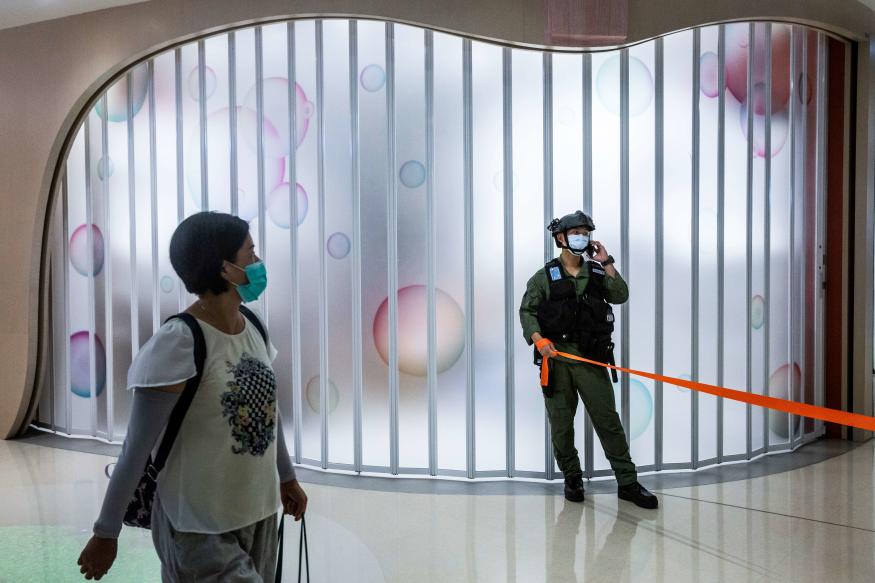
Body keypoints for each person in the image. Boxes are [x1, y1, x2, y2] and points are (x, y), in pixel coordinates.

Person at [77, 211, 308, 581]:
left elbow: (267, 410)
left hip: (259, 513)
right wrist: (106, 532)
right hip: (197, 525)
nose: (258, 262)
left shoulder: (254, 327)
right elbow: (136, 448)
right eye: (250, 253)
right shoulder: (179, 343)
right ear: (226, 269)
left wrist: (287, 477)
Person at [519, 210, 658, 509]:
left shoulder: (596, 272)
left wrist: (606, 261)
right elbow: (527, 312)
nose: (582, 237)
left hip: (591, 362)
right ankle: (572, 477)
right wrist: (539, 339)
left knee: (609, 423)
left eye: (586, 232)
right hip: (556, 363)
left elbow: (620, 294)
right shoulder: (544, 277)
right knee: (561, 425)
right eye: (576, 232)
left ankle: (628, 483)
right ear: (561, 238)